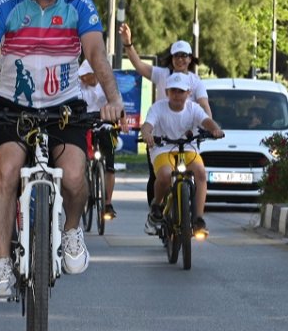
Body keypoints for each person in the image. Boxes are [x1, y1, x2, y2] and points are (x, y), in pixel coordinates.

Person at [0, 0, 124, 297]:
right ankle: (1, 263)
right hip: (13, 109)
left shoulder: (80, 6)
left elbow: (96, 53)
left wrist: (113, 98)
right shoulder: (7, 5)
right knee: (5, 171)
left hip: (64, 109)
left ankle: (71, 231)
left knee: (77, 175)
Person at [119, 23, 212, 233]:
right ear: (171, 58)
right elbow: (139, 66)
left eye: (185, 56)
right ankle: (157, 212)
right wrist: (128, 44)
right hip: (159, 140)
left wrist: (210, 128)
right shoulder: (161, 75)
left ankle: (196, 217)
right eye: (177, 56)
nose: (181, 59)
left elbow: (205, 109)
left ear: (190, 59)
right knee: (160, 176)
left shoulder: (196, 82)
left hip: (187, 139)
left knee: (197, 173)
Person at [140, 72, 223, 236]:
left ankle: (198, 219)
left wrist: (214, 129)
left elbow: (206, 120)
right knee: (165, 175)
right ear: (167, 92)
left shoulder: (194, 108)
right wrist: (147, 134)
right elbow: (147, 125)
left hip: (188, 147)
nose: (177, 95)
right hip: (163, 148)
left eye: (181, 91)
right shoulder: (158, 108)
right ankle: (156, 206)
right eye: (173, 91)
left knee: (200, 173)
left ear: (188, 93)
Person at [78, 59, 117, 220]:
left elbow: (117, 103)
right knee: (81, 160)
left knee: (109, 165)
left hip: (104, 126)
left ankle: (107, 203)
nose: (85, 79)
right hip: (84, 127)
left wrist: (120, 120)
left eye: (88, 75)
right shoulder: (77, 86)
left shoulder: (106, 86)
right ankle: (83, 189)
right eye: (83, 76)